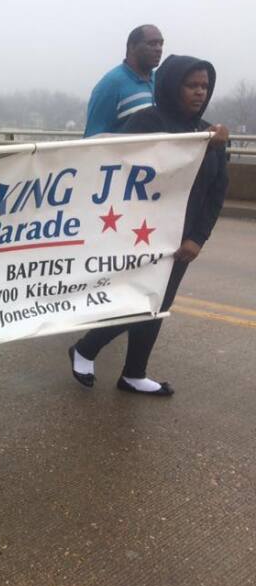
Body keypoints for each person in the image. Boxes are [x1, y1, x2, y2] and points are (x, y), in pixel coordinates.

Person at [69, 54, 229, 396]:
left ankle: (134, 373)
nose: (200, 92)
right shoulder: (146, 122)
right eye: (191, 85)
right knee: (136, 301)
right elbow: (113, 167)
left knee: (158, 306)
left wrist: (198, 238)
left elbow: (217, 191)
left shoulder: (208, 134)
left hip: (181, 240)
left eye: (205, 86)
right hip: (139, 233)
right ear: (172, 85)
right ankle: (86, 348)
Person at [84, 25, 164, 137]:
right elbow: (93, 139)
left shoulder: (160, 80)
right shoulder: (110, 85)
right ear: (132, 47)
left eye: (161, 44)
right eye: (152, 43)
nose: (158, 49)